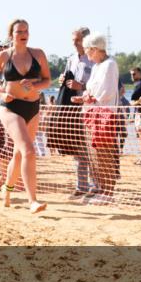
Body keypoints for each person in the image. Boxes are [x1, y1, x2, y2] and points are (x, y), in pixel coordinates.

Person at [0, 20, 51, 213]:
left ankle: (8, 189)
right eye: (19, 31)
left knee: (19, 154)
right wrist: (0, 92)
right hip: (10, 107)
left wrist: (35, 86)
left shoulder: (38, 54)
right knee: (29, 150)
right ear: (11, 35)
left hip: (33, 108)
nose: (23, 34)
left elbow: (47, 80)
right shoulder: (4, 56)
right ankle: (33, 201)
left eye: (26, 30)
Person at [72, 34, 121, 204]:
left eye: (87, 50)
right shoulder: (96, 66)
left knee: (104, 152)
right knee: (94, 153)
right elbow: (90, 87)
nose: (86, 54)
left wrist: (88, 97)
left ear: (94, 49)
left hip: (104, 114)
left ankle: (108, 192)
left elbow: (106, 92)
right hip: (91, 112)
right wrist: (85, 96)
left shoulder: (110, 64)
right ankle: (100, 188)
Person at [51, 26, 94, 196]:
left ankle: (95, 184)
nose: (75, 44)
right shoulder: (71, 59)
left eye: (78, 40)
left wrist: (81, 86)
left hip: (89, 107)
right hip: (73, 108)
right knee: (78, 148)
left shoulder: (94, 59)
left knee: (92, 148)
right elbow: (65, 76)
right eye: (73, 41)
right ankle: (81, 185)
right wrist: (62, 79)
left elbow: (97, 84)